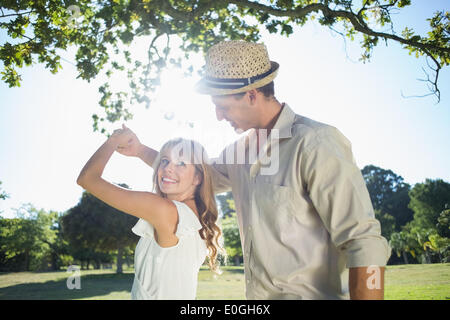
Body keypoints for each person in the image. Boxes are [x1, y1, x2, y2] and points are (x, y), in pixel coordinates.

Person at [117, 40, 392, 300]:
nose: (219, 116)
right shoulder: (238, 153)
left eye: (222, 107)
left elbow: (363, 243)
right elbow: (193, 174)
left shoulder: (314, 143)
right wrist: (141, 150)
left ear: (251, 95)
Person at [76, 125, 223, 299]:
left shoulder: (166, 212)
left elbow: (87, 179)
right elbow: (173, 172)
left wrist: (114, 139)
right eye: (165, 161)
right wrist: (138, 150)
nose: (167, 168)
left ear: (198, 178)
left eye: (181, 163)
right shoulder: (192, 216)